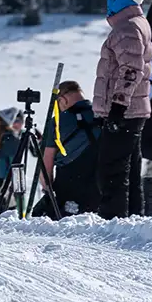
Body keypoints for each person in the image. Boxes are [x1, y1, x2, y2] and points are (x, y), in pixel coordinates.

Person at [93, 0, 151, 220]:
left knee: (112, 169)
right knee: (129, 168)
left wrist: (117, 106)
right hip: (133, 110)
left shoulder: (127, 28)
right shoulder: (136, 24)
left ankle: (112, 219)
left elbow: (131, 69)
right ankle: (133, 218)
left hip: (125, 112)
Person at [40, 80, 102, 217]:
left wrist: (48, 193)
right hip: (100, 188)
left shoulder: (57, 121)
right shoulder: (102, 115)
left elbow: (46, 164)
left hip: (69, 187)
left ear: (62, 99)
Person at [0, 107, 24, 213]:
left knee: (2, 210)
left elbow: (12, 160)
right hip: (1, 177)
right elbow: (3, 159)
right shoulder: (3, 137)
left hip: (4, 180)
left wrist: (9, 181)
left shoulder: (9, 138)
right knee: (0, 209)